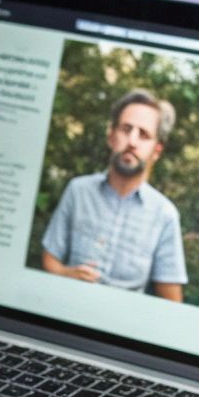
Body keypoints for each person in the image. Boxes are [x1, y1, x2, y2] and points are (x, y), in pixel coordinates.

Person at [40, 89, 187, 302]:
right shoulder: (78, 190)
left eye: (143, 135)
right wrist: (66, 274)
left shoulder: (165, 214)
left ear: (156, 151)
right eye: (126, 129)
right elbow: (49, 259)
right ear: (111, 135)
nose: (132, 141)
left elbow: (172, 301)